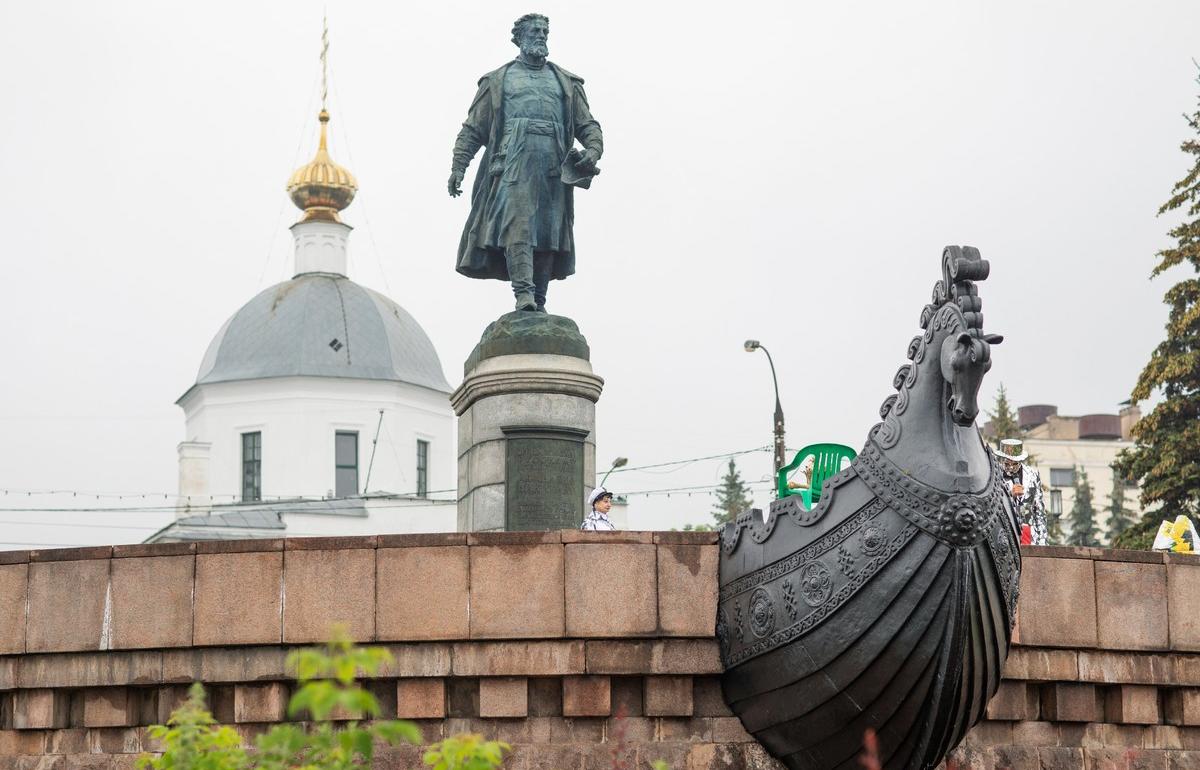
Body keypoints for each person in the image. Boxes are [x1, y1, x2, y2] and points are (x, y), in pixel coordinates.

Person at [448, 13, 604, 313]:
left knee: (548, 231)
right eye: (535, 30)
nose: (541, 34)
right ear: (518, 37)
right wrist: (459, 166)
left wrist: (594, 150)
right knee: (518, 225)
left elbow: (587, 125)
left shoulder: (566, 82)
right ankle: (524, 294)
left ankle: (540, 301)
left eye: (545, 30)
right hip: (513, 160)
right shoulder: (499, 80)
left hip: (554, 162)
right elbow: (473, 129)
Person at [996, 438, 1048, 545]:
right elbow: (993, 507)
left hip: (1028, 534)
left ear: (1020, 461)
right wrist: (1010, 495)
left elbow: (1039, 511)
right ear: (1001, 460)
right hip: (1005, 533)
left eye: (1014, 464)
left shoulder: (1032, 474)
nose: (1010, 467)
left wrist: (1042, 541)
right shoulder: (995, 475)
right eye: (1007, 464)